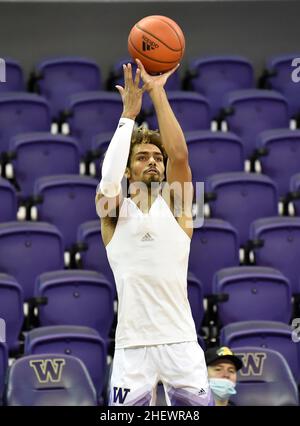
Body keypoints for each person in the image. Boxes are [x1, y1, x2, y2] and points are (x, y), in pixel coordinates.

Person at [95, 59, 213, 406]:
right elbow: (107, 181)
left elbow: (180, 154)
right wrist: (128, 117)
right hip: (132, 347)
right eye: (142, 156)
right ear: (129, 168)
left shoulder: (177, 206)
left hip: (180, 342)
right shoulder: (112, 211)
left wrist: (158, 93)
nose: (152, 161)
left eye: (156, 158)